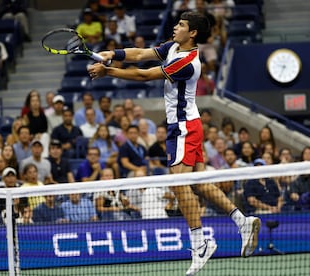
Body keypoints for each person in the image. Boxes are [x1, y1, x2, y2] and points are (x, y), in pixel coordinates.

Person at [88, 11, 260, 275]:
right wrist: (114, 54)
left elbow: (145, 76)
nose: (175, 27)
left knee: (179, 185)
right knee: (199, 184)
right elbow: (142, 54)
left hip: (183, 127)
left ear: (193, 33)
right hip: (189, 125)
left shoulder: (187, 62)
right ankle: (242, 221)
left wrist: (108, 70)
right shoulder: (173, 47)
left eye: (181, 25)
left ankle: (200, 244)